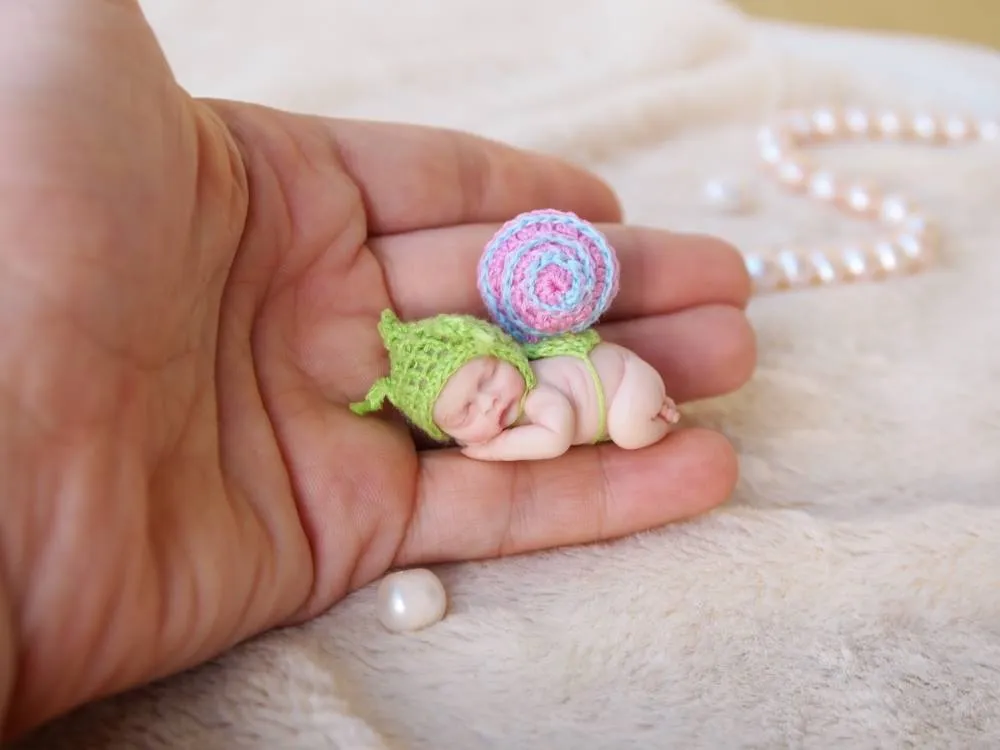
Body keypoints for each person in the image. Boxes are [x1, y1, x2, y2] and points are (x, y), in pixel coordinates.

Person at [0, 0, 756, 741]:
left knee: (632, 424)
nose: (492, 407)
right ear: (437, 428)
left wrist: (500, 444)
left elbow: (552, 437)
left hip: (617, 385)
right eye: (470, 414)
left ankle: (649, 414)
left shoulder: (539, 405)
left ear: (503, 350)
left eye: (490, 382)